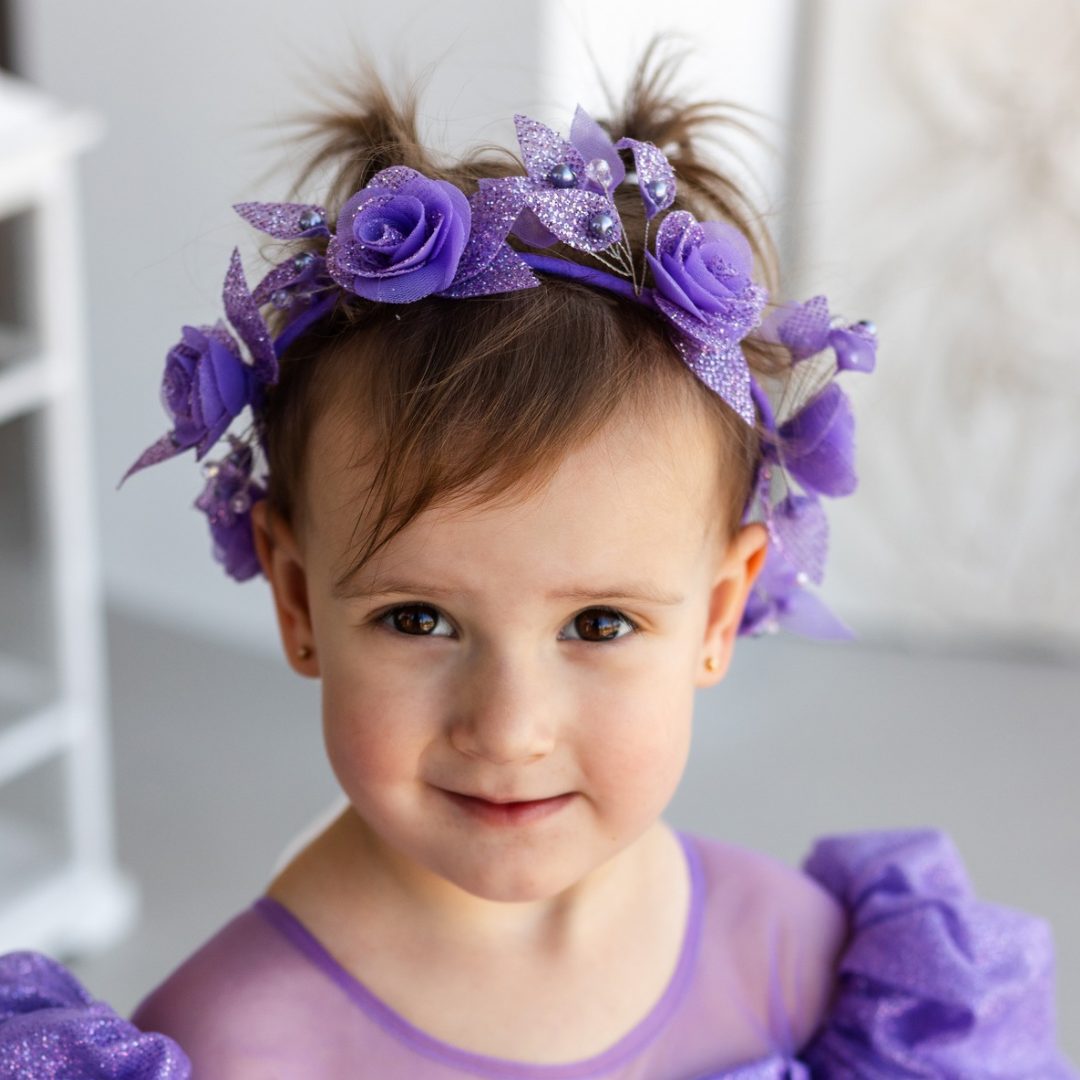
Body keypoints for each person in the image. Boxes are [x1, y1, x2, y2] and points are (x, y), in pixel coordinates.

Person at [0, 52, 1074, 1080]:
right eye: (419, 618)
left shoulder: (813, 966)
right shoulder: (236, 1046)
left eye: (599, 623)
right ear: (295, 599)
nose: (508, 729)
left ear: (718, 613)